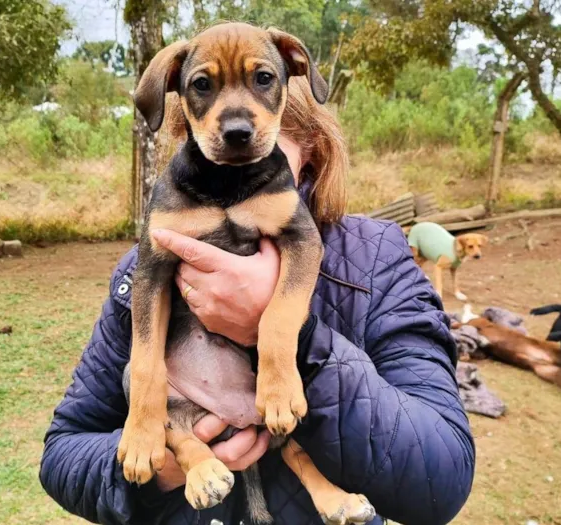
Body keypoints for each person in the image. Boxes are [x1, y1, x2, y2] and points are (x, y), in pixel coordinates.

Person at [40, 77, 475, 525]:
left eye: (262, 153)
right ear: (188, 137)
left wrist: (294, 338)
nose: (234, 189)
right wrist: (166, 465)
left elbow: (441, 480)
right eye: (216, 152)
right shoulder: (147, 263)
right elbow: (64, 452)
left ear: (310, 149)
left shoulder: (377, 258)